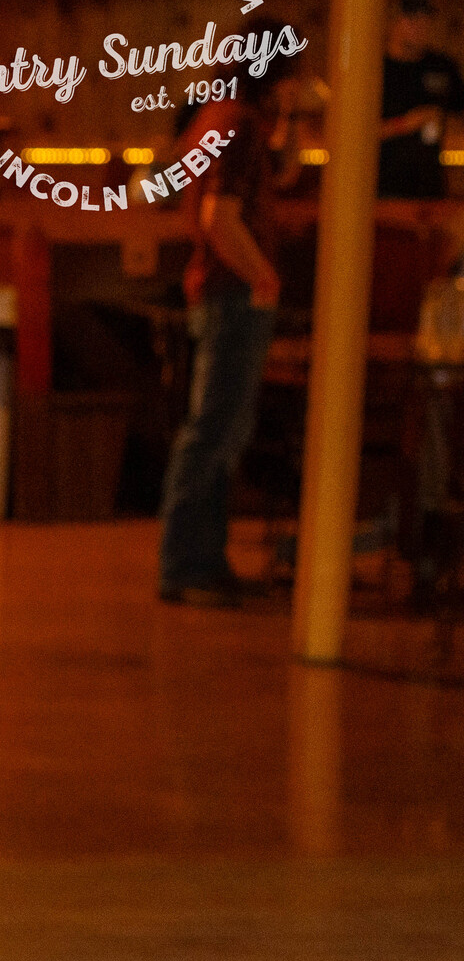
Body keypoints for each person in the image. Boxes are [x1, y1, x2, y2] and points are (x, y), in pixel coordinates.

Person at [159, 52, 296, 607]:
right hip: (234, 290)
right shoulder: (238, 124)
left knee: (217, 429)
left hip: (218, 288)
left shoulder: (218, 116)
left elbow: (276, 176)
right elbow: (222, 215)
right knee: (216, 430)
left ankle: (201, 562)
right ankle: (187, 564)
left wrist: (288, 123)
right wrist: (264, 276)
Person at [379, 0, 457, 203]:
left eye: (425, 20)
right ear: (393, 22)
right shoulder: (375, 69)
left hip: (430, 187)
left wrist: (442, 121)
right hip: (383, 187)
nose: (420, 27)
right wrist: (406, 123)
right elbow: (354, 133)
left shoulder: (442, 66)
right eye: (412, 20)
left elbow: (457, 113)